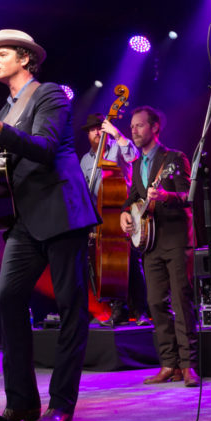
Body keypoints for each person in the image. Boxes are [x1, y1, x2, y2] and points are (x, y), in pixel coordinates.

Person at [0, 29, 99, 421]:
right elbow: (5, 162)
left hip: (61, 213)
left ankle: (61, 403)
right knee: (7, 297)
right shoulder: (4, 111)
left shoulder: (49, 93)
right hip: (23, 220)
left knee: (71, 307)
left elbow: (43, 147)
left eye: (2, 53)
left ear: (25, 58)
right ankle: (21, 401)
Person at [119, 106, 200, 386]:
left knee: (181, 301)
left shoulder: (175, 158)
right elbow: (132, 198)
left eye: (140, 125)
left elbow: (188, 196)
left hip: (176, 241)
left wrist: (165, 195)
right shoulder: (136, 164)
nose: (134, 130)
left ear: (155, 128)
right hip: (150, 244)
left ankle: (189, 365)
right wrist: (125, 214)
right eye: (132, 126)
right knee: (155, 303)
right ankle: (169, 364)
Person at [78, 112, 149, 326]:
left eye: (100, 127)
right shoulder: (85, 160)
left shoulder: (117, 147)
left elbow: (134, 157)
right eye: (92, 129)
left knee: (130, 263)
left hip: (123, 211)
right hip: (99, 219)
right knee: (105, 264)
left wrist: (118, 136)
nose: (96, 132)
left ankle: (140, 311)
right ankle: (117, 308)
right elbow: (84, 190)